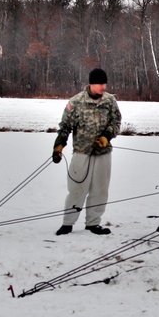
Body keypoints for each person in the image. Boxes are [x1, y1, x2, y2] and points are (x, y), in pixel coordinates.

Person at [52, 68, 122, 236]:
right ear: (92, 84)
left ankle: (93, 223)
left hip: (103, 153)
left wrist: (107, 136)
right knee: (76, 188)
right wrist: (59, 145)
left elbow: (116, 122)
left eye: (105, 84)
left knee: (100, 190)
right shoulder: (75, 102)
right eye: (100, 84)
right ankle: (68, 223)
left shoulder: (110, 101)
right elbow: (65, 126)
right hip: (81, 153)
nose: (103, 87)